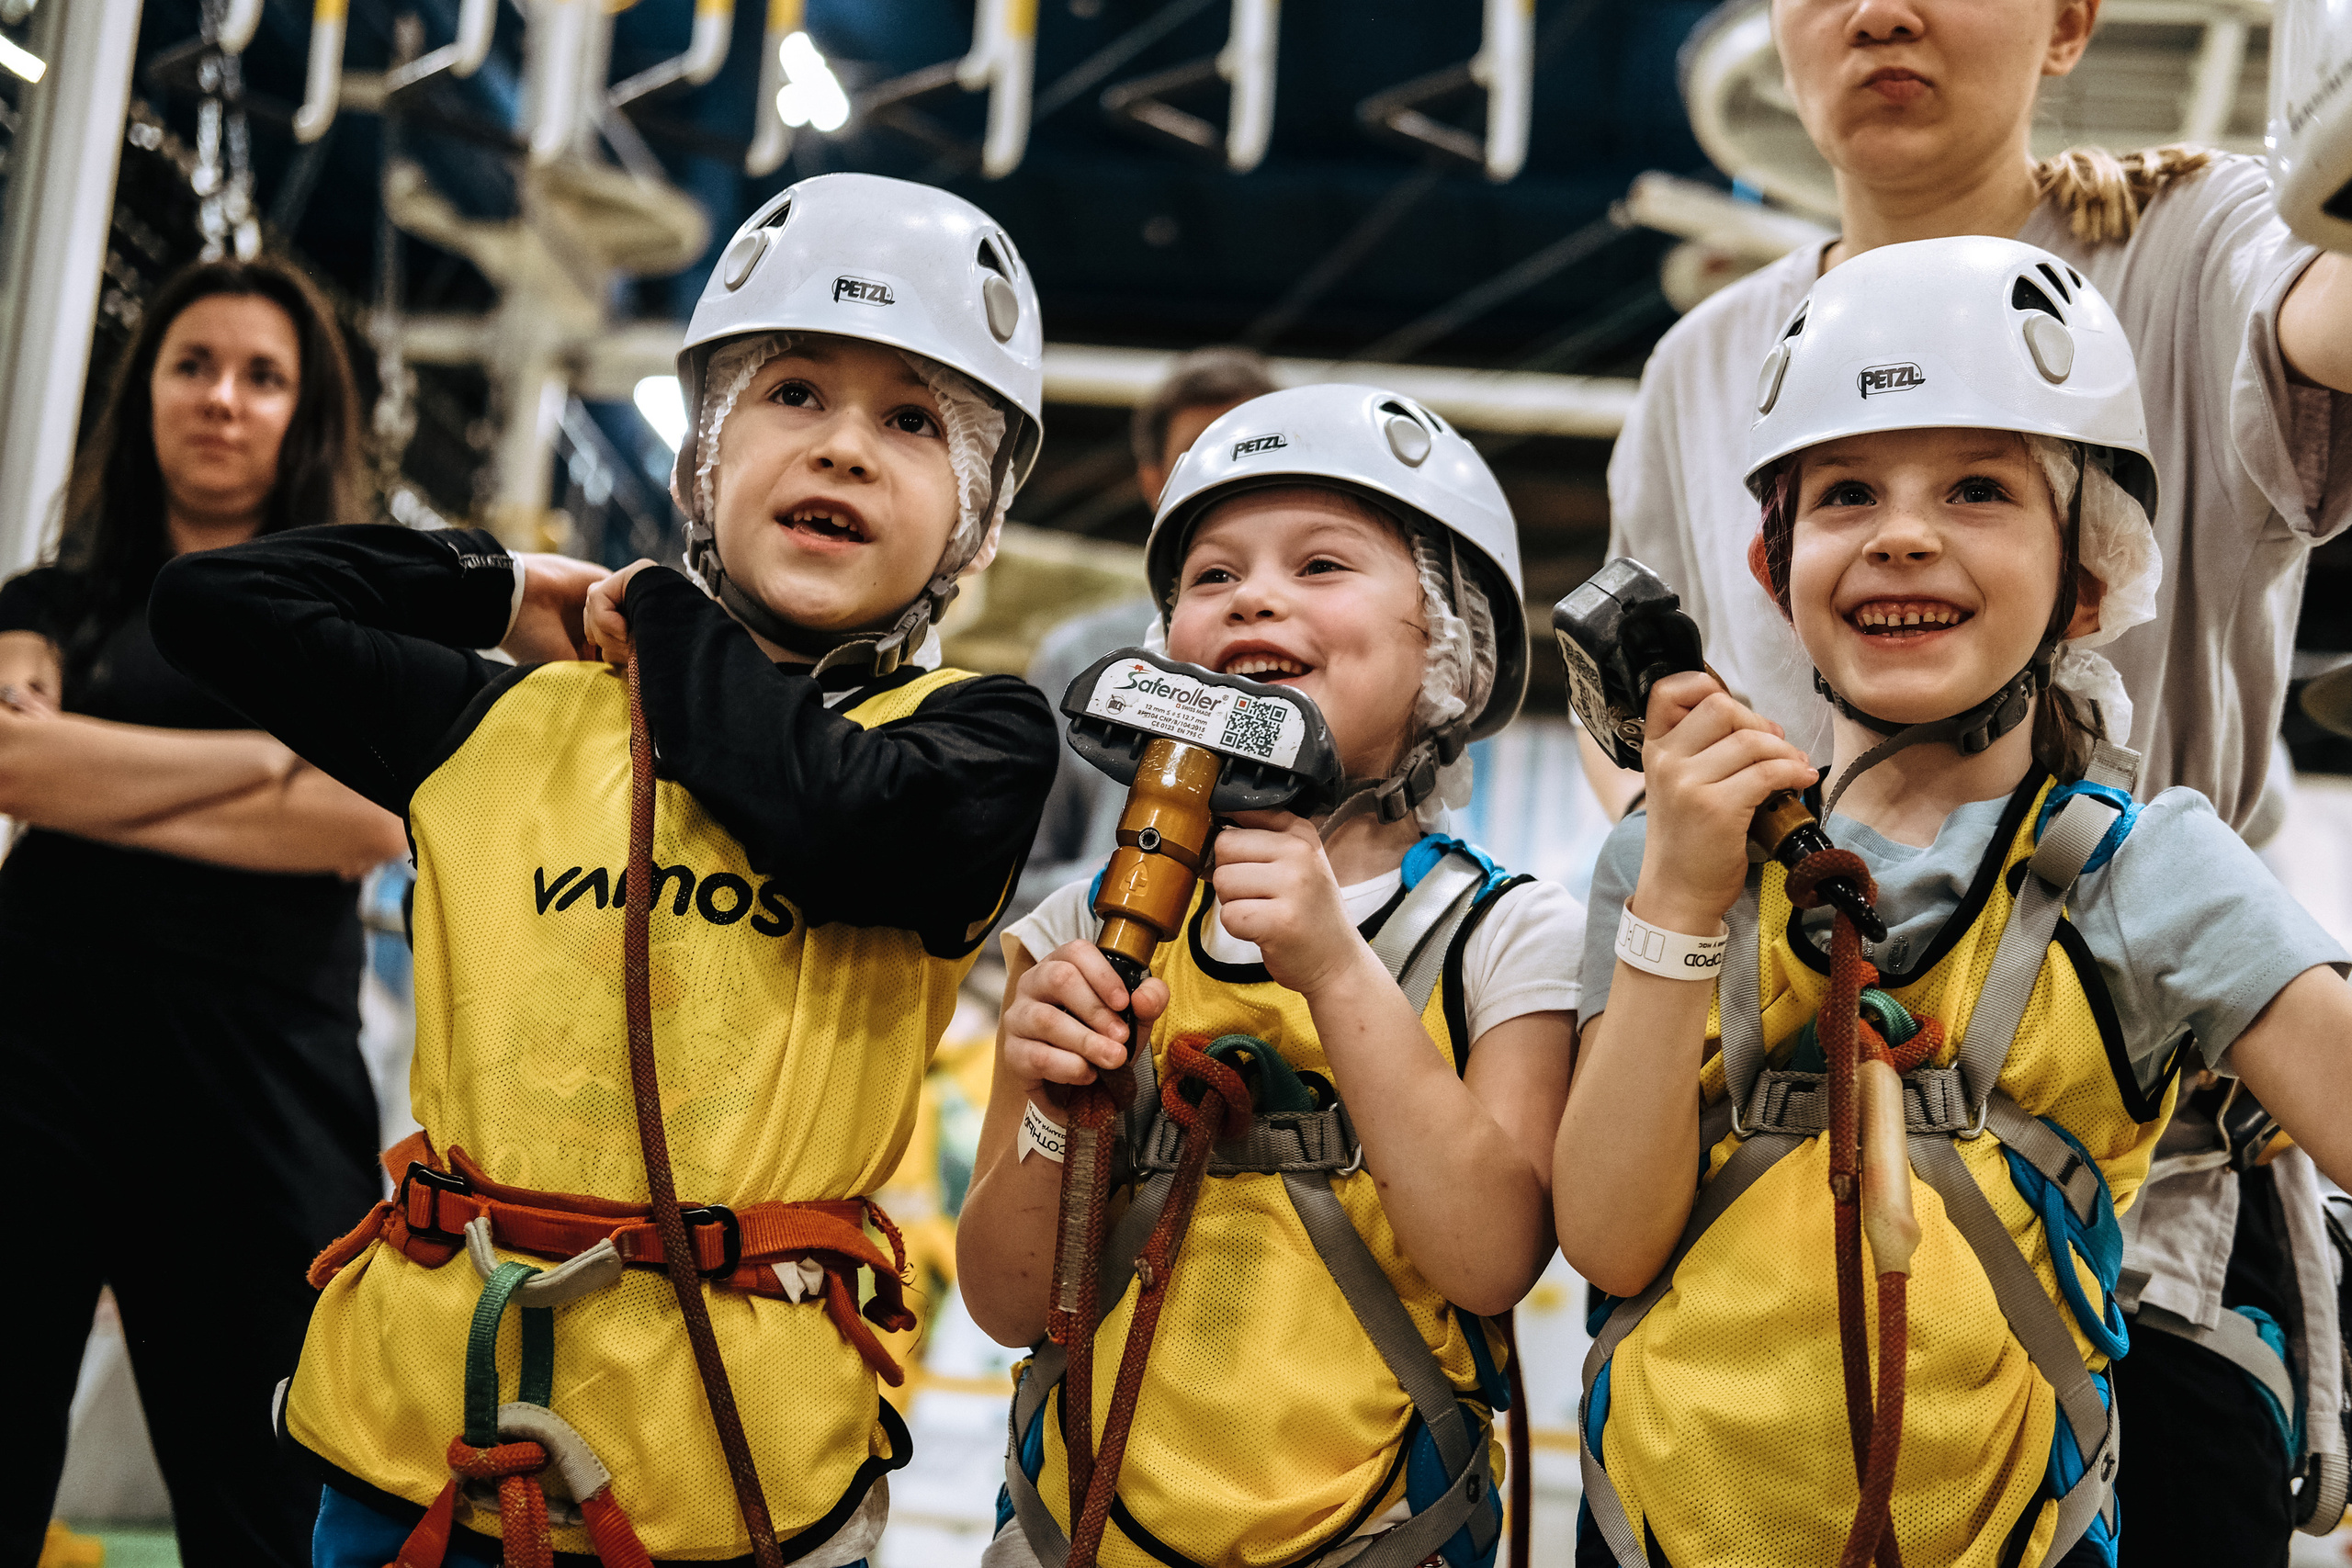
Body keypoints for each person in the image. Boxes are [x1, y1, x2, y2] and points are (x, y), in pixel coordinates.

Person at [149, 173, 1060, 1568]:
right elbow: (216, 605)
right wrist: (498, 585)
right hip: (420, 1452)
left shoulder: (970, 744)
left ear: (976, 524)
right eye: (795, 393)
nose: (846, 449)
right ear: (707, 456)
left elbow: (818, 812)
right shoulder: (512, 713)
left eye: (915, 422)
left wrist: (664, 614)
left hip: (726, 1479)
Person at [1604, 4, 2352, 1555]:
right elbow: (1652, 781)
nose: (1903, 538)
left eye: (1979, 490)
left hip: (2145, 1222)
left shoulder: (2195, 239)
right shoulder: (1704, 368)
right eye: (1848, 495)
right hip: (1756, 1234)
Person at [958, 384, 1582, 1568]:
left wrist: (1334, 968)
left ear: (1448, 647)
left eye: (1322, 565)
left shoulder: (1503, 936)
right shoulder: (1081, 931)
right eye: (1211, 576)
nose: (1255, 595)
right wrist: (1051, 1107)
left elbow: (1490, 1256)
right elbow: (1006, 1300)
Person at [0, 255, 408, 1568]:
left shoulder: (356, 618)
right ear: (149, 395)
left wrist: (92, 774)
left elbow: (366, 819)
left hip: (261, 1096)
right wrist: (266, 768)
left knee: (271, 1500)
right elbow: (12, 764)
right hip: (37, 1069)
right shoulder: (55, 605)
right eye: (193, 365)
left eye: (262, 375)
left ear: (305, 415)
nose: (223, 398)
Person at [1012, 347, 1280, 929]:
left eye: (1260, 448)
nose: (1231, 474)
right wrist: (1134, 879)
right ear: (1153, 482)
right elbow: (1007, 885)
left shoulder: (1324, 656)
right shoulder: (1085, 660)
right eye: (1202, 456)